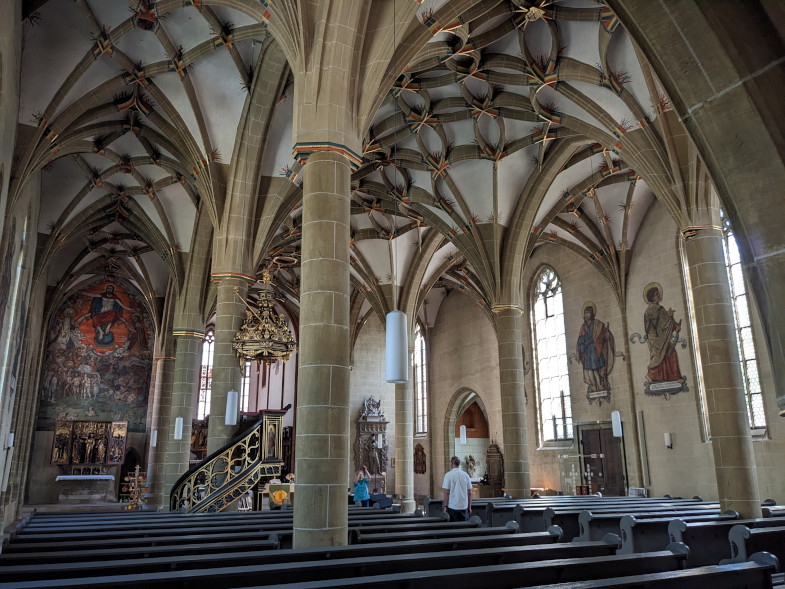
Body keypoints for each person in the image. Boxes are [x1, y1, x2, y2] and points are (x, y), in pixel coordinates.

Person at [643, 283, 684, 383]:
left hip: (653, 339)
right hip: (661, 339)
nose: (659, 296)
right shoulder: (659, 309)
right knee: (672, 353)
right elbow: (665, 322)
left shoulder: (647, 311)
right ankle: (675, 377)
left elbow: (657, 323)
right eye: (657, 294)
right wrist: (674, 322)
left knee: (661, 357)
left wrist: (668, 316)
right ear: (653, 297)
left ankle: (660, 377)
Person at [576, 302, 615, 391]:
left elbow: (604, 333)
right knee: (589, 370)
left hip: (595, 350)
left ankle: (600, 384)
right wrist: (582, 343)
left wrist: (607, 336)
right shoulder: (583, 327)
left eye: (588, 313)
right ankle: (594, 385)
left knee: (595, 369)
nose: (586, 315)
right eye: (585, 313)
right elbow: (580, 340)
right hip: (587, 352)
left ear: (592, 314)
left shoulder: (597, 324)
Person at [442, 455, 472, 521]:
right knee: (464, 527)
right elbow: (469, 493)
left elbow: (447, 492)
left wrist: (445, 506)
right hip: (464, 506)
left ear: (452, 463)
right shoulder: (466, 475)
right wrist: (469, 507)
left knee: (453, 528)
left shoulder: (448, 475)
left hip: (453, 506)